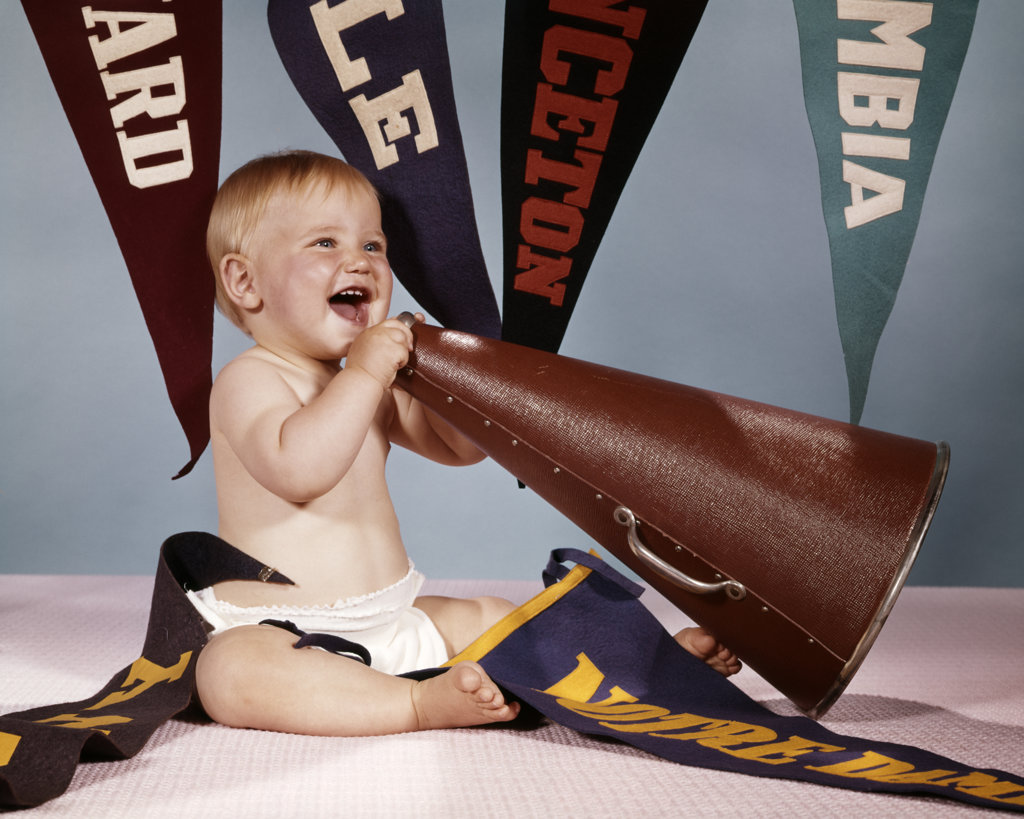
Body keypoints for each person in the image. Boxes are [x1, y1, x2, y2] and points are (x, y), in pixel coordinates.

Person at [191, 149, 740, 738]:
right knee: (230, 672)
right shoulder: (249, 379)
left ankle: (640, 671)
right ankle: (414, 705)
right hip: (285, 630)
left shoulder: (362, 377)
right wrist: (367, 374)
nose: (359, 261)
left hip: (394, 619)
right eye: (325, 243)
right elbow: (297, 468)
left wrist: (438, 374)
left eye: (373, 246)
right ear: (244, 281)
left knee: (494, 616)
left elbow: (456, 448)